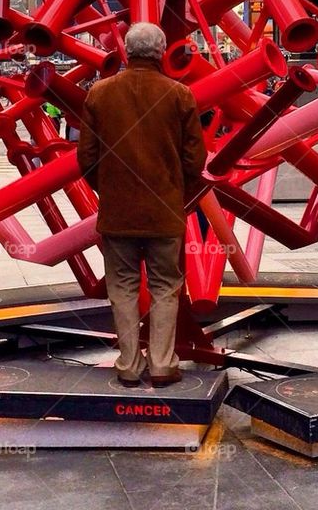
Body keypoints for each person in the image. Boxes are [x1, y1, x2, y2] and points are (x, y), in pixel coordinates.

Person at [77, 22, 205, 388]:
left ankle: (129, 365)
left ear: (127, 51)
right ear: (161, 51)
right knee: (165, 287)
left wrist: (109, 188)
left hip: (118, 214)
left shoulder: (100, 93)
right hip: (165, 212)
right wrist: (175, 191)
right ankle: (162, 365)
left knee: (122, 287)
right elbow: (195, 160)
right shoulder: (179, 94)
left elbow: (86, 158)